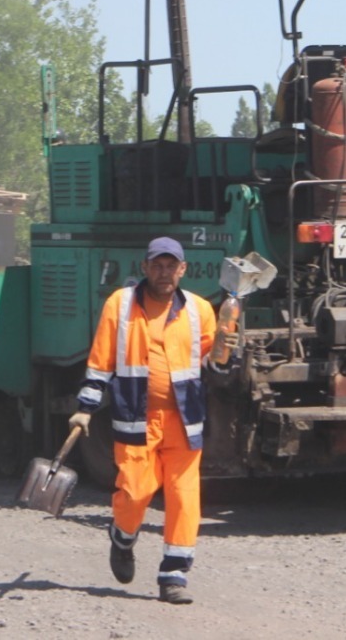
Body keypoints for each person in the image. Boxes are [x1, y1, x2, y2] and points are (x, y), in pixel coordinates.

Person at [70, 236, 239, 605]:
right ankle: (122, 537)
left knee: (183, 497)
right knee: (135, 491)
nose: (164, 273)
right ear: (145, 268)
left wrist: (227, 352)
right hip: (136, 418)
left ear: (183, 269)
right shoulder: (121, 303)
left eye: (171, 266)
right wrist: (85, 406)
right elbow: (101, 360)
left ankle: (173, 576)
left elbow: (214, 365)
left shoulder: (200, 310)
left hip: (185, 418)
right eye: (157, 266)